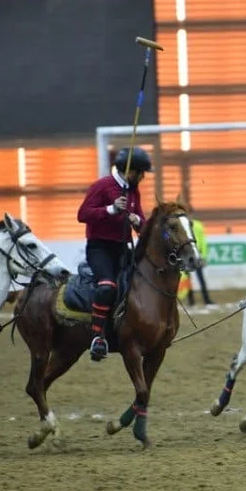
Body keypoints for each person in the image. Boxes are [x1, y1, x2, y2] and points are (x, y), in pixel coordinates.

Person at [77, 145, 149, 361]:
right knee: (108, 286)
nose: (143, 177)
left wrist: (138, 222)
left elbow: (142, 224)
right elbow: (82, 214)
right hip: (100, 248)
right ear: (130, 171)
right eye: (141, 173)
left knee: (143, 284)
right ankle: (97, 337)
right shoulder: (102, 186)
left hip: (123, 247)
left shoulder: (133, 190)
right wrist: (111, 209)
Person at [187, 215, 214, 306]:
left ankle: (206, 299)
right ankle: (191, 300)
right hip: (187, 255)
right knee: (187, 280)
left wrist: (204, 256)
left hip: (197, 255)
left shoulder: (198, 225)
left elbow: (203, 240)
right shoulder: (183, 224)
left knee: (201, 279)